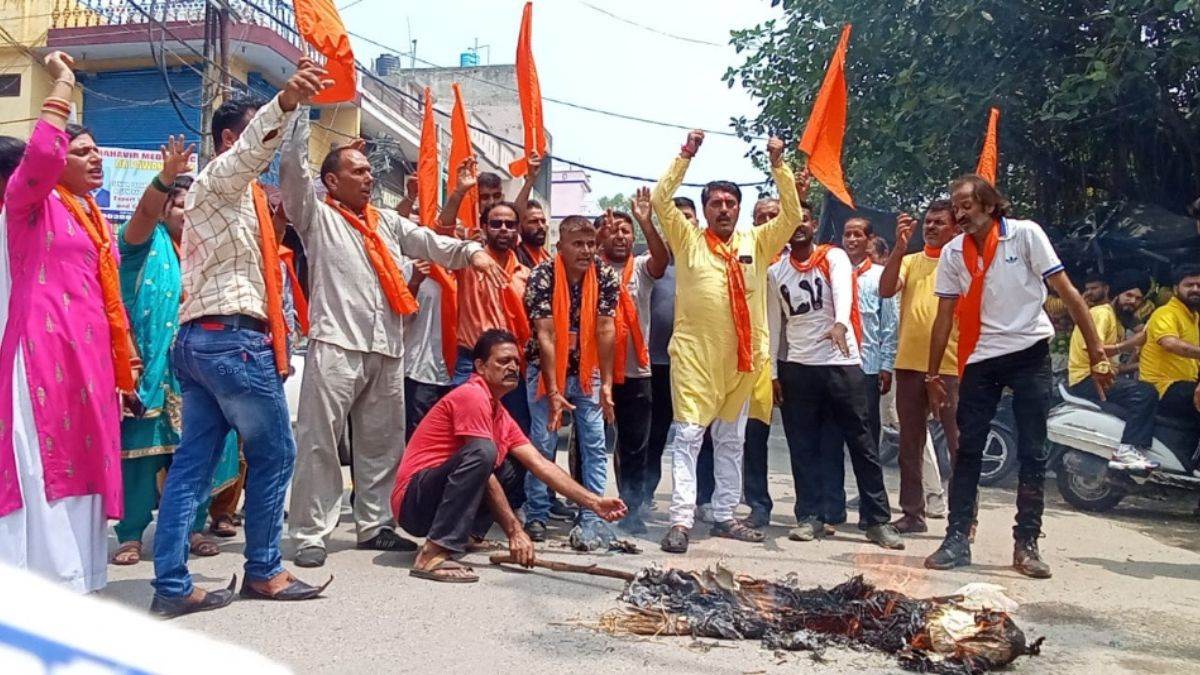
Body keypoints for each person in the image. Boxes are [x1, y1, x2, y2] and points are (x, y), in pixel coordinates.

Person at [279, 105, 501, 570]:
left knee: (382, 445)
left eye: (368, 171)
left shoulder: (387, 222)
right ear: (332, 182)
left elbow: (429, 242)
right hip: (337, 343)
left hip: (387, 346)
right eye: (356, 171)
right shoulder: (316, 216)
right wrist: (297, 113)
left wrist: (471, 252)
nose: (367, 178)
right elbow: (294, 173)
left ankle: (375, 524)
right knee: (320, 442)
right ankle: (309, 534)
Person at [149, 61, 333, 617]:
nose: (265, 150)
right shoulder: (223, 177)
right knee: (275, 454)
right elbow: (255, 147)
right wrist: (286, 101)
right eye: (254, 135)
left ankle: (174, 586)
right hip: (231, 341)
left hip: (203, 341)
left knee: (193, 465)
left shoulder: (230, 195)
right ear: (231, 139)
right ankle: (266, 572)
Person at [924, 175, 1113, 578]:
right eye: (955, 207)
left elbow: (1067, 291)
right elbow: (943, 316)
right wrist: (932, 373)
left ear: (990, 205)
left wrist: (1097, 351)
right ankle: (957, 537)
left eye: (966, 205)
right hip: (981, 356)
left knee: (1033, 450)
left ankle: (1026, 543)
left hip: (1030, 352)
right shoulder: (954, 251)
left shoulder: (1025, 235)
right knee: (968, 448)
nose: (959, 214)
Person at [0, 52, 131, 594]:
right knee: (45, 468)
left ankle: (77, 582)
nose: (92, 160)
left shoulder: (86, 215)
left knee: (83, 466)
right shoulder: (26, 208)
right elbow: (39, 160)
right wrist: (62, 84)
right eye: (79, 151)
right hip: (40, 358)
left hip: (85, 361)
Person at [650, 130, 802, 554]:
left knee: (732, 441)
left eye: (730, 203)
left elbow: (790, 216)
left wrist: (778, 165)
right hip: (695, 360)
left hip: (742, 359)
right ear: (703, 210)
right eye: (715, 203)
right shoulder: (687, 240)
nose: (723, 209)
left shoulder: (757, 240)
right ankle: (681, 520)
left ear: (739, 209)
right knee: (688, 437)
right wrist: (686, 155)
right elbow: (662, 200)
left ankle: (723, 516)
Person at [393, 329, 627, 582]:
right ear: (480, 366)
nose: (513, 367)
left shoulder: (498, 411)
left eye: (516, 361)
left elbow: (540, 465)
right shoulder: (471, 395)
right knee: (485, 453)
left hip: (434, 499)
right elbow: (483, 470)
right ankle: (431, 554)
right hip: (413, 505)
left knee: (516, 463)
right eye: (503, 361)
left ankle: (465, 536)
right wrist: (514, 531)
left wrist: (593, 502)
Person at [112, 158, 241, 565]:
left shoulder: (212, 253)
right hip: (153, 367)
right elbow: (144, 214)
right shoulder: (142, 246)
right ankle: (131, 534)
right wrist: (166, 178)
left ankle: (194, 526)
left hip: (200, 368)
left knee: (200, 450)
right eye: (182, 204)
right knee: (142, 451)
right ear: (165, 208)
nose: (190, 214)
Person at [767, 210, 905, 549]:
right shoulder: (775, 271)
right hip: (798, 366)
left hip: (842, 361)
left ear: (814, 226)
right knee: (803, 446)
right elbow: (774, 325)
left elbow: (844, 295)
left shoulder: (834, 256)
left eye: (804, 219)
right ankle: (809, 517)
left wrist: (841, 323)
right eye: (791, 219)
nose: (797, 225)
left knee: (862, 443)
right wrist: (772, 372)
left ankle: (877, 521)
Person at [522, 216, 620, 550]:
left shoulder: (605, 276)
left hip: (587, 371)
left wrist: (606, 384)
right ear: (560, 246)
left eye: (591, 243)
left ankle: (592, 514)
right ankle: (537, 512)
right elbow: (546, 333)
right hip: (546, 371)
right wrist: (552, 391)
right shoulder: (541, 276)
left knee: (594, 443)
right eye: (578, 244)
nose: (586, 250)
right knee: (543, 443)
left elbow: (606, 329)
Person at [879, 202, 962, 533]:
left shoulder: (961, 262)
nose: (930, 227)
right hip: (909, 365)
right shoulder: (911, 261)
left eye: (939, 223)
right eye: (927, 222)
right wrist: (899, 248)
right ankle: (913, 514)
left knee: (959, 444)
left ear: (955, 229)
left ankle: (962, 517)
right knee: (909, 444)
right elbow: (885, 290)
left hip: (952, 367)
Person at [598, 193, 669, 535]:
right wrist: (597, 238)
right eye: (615, 231)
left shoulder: (641, 268)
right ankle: (588, 506)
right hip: (596, 372)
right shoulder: (591, 267)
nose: (621, 236)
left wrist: (644, 221)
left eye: (626, 231)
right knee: (591, 444)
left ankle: (631, 508)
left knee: (634, 446)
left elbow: (661, 258)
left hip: (636, 372)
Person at [452, 201, 533, 434]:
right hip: (471, 363)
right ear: (485, 227)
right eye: (496, 224)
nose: (504, 229)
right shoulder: (467, 264)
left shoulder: (526, 275)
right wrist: (458, 194)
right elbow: (442, 233)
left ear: (518, 230)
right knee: (467, 435)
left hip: (511, 365)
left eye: (510, 224)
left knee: (515, 434)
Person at [1067, 271, 1159, 472]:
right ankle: (1126, 450)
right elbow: (1092, 348)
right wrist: (1130, 344)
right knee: (1145, 392)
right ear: (1116, 294)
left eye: (1137, 299)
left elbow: (1112, 366)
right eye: (1129, 296)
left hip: (1099, 377)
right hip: (1087, 379)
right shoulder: (1102, 313)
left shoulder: (1116, 320)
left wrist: (1141, 366)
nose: (1132, 302)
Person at [1138, 265, 1200, 428]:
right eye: (1189, 285)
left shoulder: (1194, 318)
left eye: (1199, 285)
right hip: (1162, 388)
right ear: (1175, 289)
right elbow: (1170, 343)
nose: (1195, 289)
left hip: (1183, 386)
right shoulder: (1165, 313)